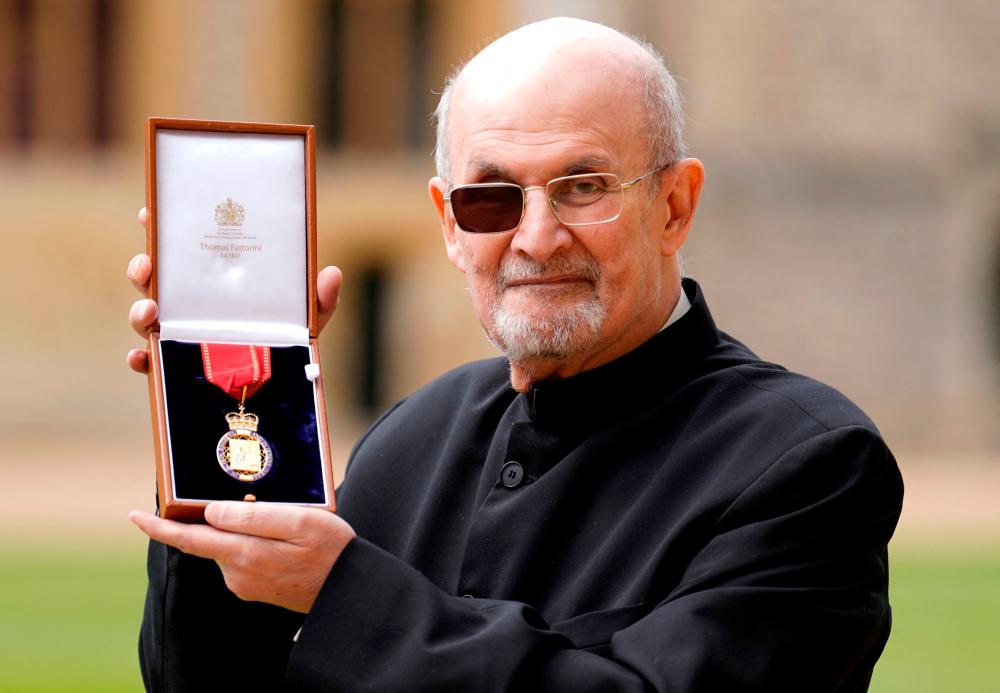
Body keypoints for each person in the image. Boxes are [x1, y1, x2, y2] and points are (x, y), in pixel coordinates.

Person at [126, 17, 903, 692]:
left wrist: (350, 595)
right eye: (491, 196)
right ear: (450, 223)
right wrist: (220, 415)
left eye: (583, 185)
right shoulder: (414, 434)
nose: (535, 236)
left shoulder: (807, 463)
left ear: (674, 205)